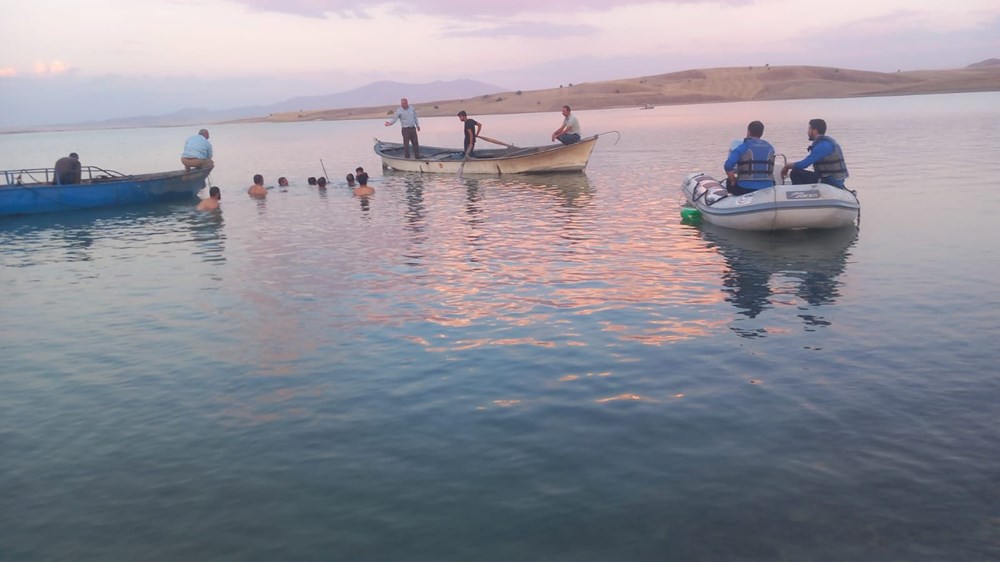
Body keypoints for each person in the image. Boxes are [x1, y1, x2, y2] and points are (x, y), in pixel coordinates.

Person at [780, 118, 850, 188]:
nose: (807, 132)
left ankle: (800, 196)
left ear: (814, 131)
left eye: (809, 129)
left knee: (795, 173)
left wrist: (787, 166)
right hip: (834, 180)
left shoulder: (823, 146)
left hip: (831, 181)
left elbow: (804, 164)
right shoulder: (827, 143)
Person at [723, 120, 776, 195]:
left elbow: (728, 165)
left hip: (745, 188)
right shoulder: (770, 147)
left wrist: (733, 180)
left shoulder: (744, 147)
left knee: (729, 181)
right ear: (761, 133)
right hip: (768, 186)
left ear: (748, 132)